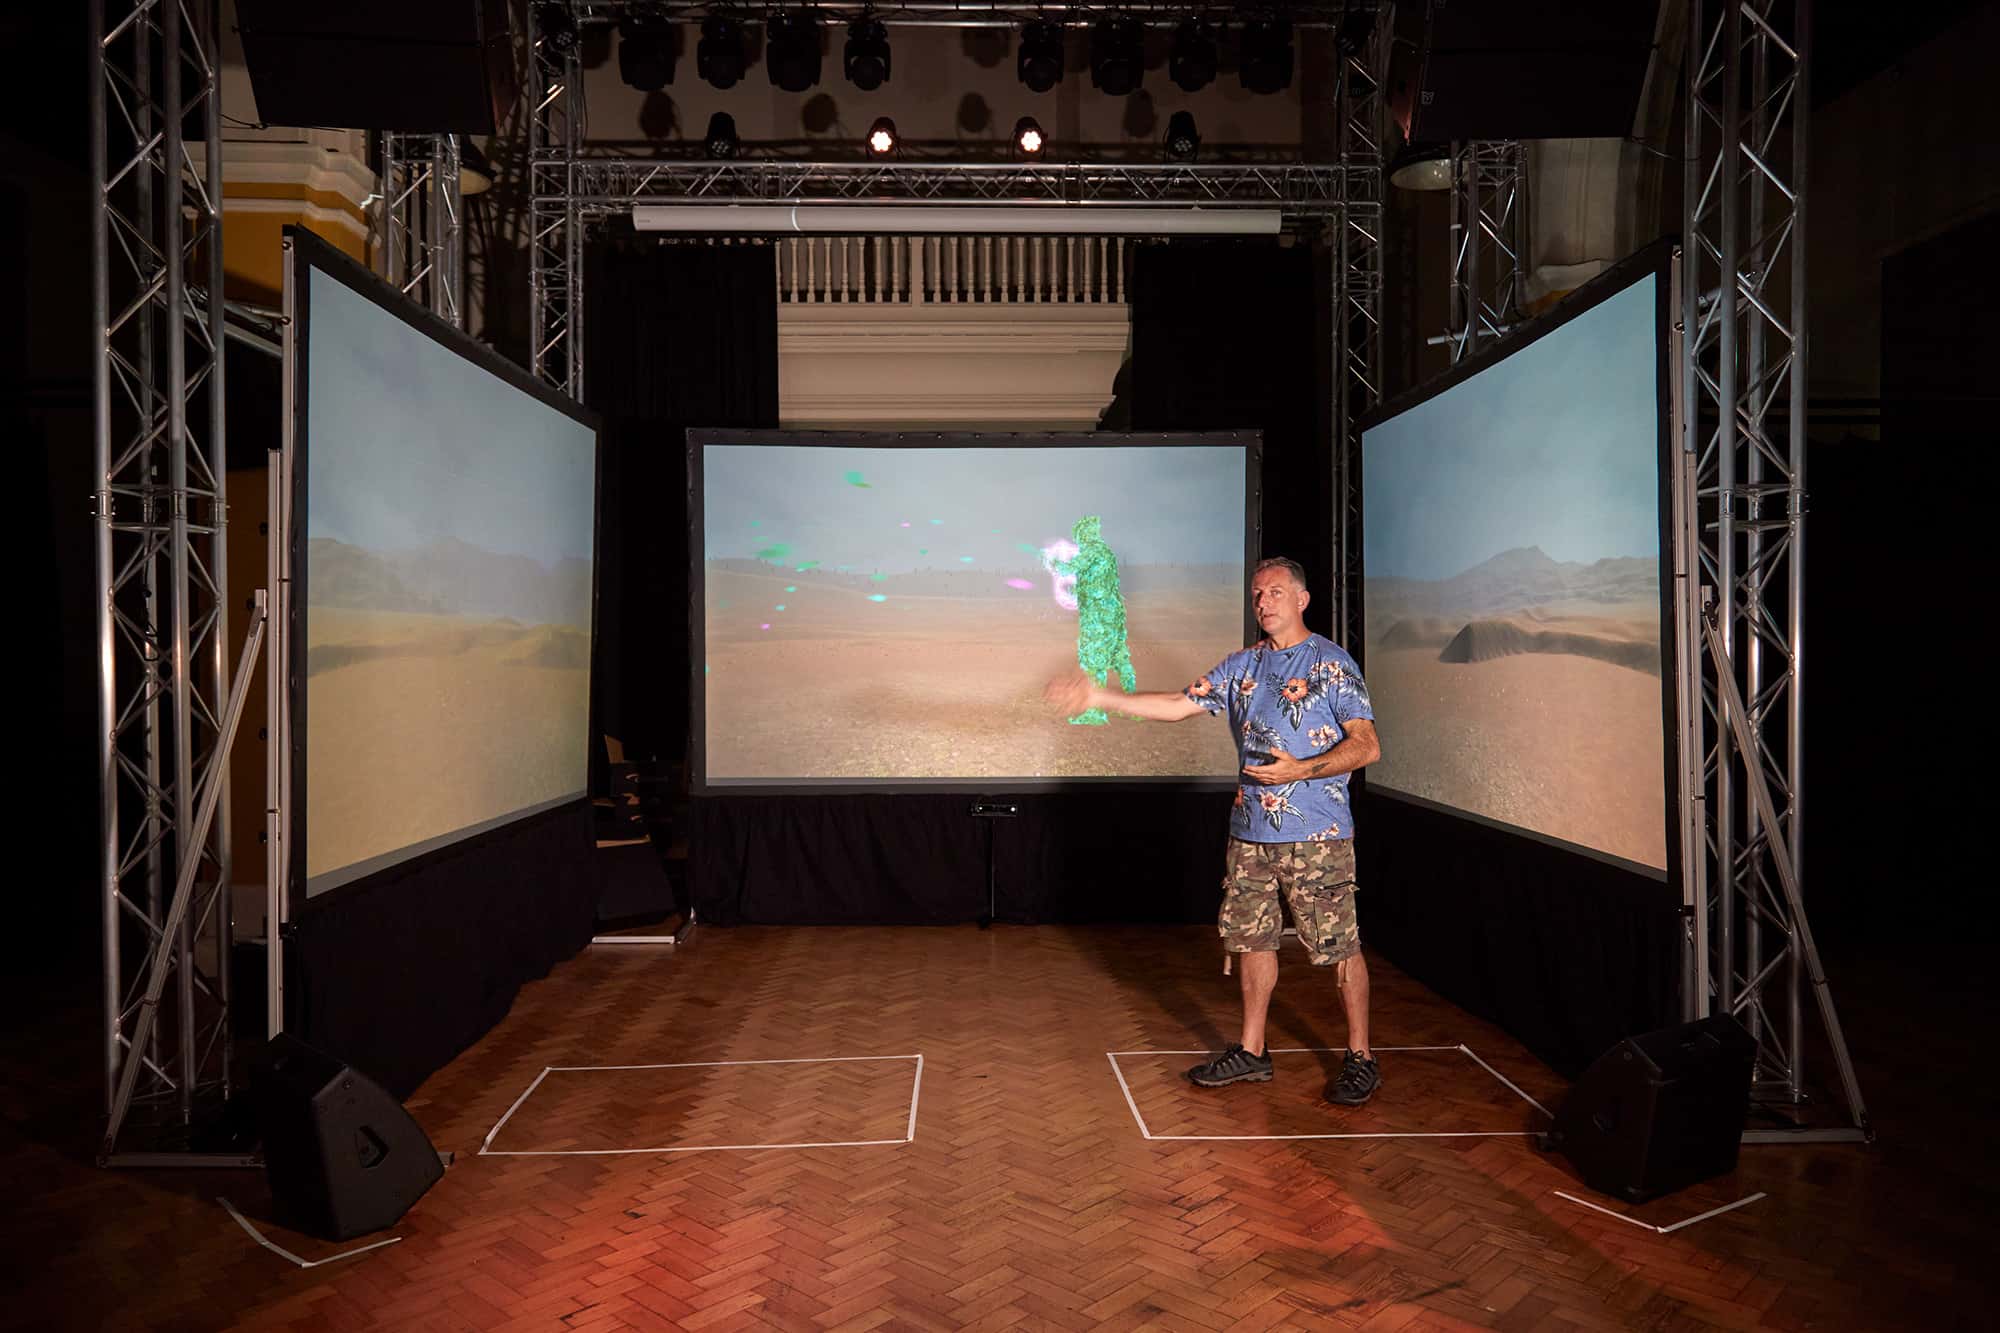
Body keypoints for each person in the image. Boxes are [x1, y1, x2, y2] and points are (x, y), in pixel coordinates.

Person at [1043, 556, 1385, 1106]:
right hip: (1249, 834)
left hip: (1318, 837)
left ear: (1302, 599)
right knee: (1252, 939)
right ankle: (1252, 1051)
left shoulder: (1330, 663)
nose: (1264, 601)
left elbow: (1366, 745)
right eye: (1257, 594)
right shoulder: (1242, 666)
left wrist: (1300, 769)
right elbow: (1178, 704)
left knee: (1338, 945)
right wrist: (1098, 698)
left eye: (1275, 592)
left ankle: (1361, 1056)